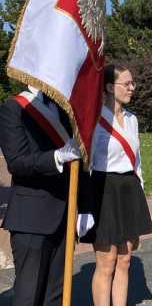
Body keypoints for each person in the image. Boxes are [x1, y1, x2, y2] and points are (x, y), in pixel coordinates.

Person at [0, 86, 91, 306]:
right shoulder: (12, 108)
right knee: (29, 296)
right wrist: (57, 157)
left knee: (55, 295)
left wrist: (84, 206)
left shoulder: (62, 109)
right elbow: (17, 163)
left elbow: (79, 162)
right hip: (31, 218)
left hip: (64, 215)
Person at [89, 64, 152, 306]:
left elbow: (136, 161)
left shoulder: (132, 120)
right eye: (126, 84)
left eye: (132, 83)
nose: (132, 88)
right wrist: (85, 205)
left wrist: (141, 189)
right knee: (106, 262)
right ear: (108, 87)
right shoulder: (94, 120)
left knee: (125, 259)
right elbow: (87, 164)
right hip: (104, 189)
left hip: (129, 188)